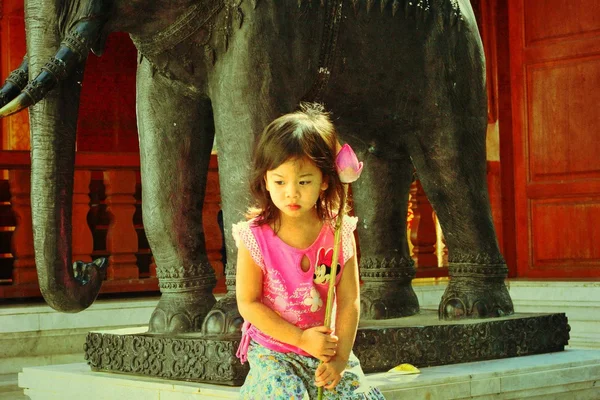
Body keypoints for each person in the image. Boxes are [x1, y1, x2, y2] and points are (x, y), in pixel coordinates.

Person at [234, 103, 385, 399]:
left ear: (324, 180)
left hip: (324, 348)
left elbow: (350, 300)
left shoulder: (340, 232)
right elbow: (248, 303)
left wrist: (341, 359)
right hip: (275, 348)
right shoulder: (256, 237)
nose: (291, 192)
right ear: (265, 179)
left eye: (304, 181)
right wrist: (300, 339)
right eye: (280, 181)